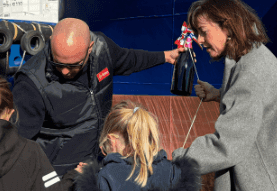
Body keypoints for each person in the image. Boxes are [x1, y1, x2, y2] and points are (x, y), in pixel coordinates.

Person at [172, 0, 277, 191]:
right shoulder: (256, 55)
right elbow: (256, 104)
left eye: (203, 31)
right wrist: (219, 94)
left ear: (227, 26)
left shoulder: (250, 70)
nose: (199, 40)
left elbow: (227, 144)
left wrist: (177, 159)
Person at [14, 18, 186, 176]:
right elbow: (18, 143)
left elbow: (129, 59)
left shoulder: (103, 49)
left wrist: (165, 56)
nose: (65, 71)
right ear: (51, 43)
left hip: (97, 164)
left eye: (73, 65)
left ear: (90, 48)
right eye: (58, 63)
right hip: (58, 174)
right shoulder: (31, 82)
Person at [74, 101, 200, 191]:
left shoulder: (104, 177)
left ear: (112, 141)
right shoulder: (174, 173)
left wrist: (84, 179)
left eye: (105, 147)